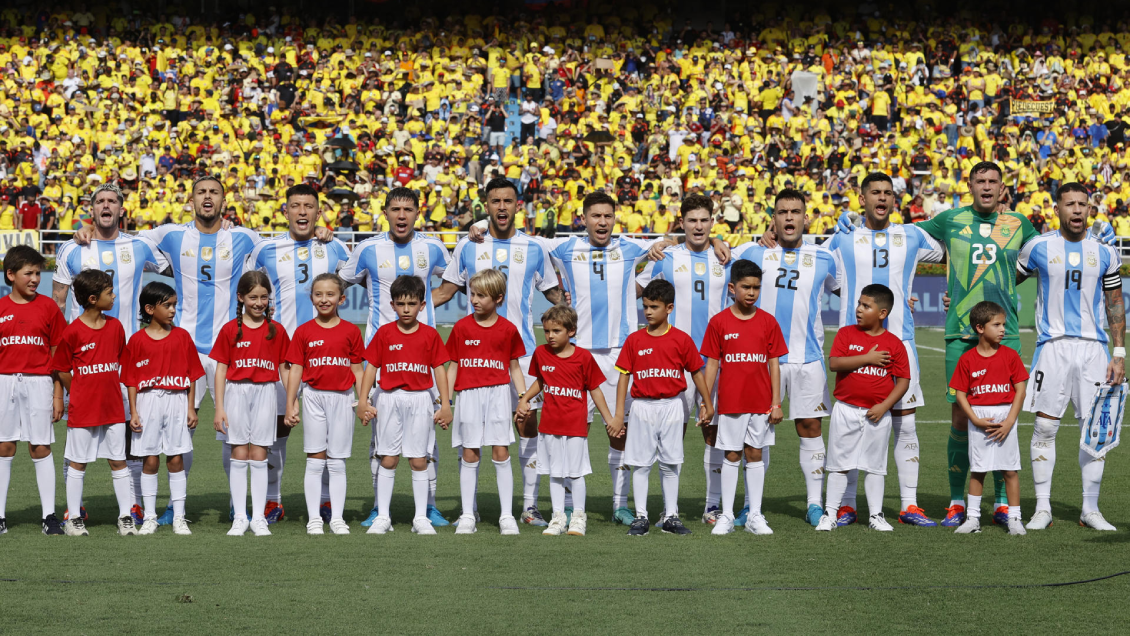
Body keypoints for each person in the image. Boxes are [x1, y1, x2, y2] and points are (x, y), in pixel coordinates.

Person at [74, 175, 265, 525]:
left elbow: (281, 251)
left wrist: (323, 235)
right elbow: (119, 237)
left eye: (214, 193)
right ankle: (169, 508)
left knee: (233, 432)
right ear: (190, 201)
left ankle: (243, 509)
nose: (208, 198)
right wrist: (85, 232)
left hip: (229, 350)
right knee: (178, 433)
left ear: (225, 201)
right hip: (184, 349)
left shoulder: (244, 238)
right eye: (201, 193)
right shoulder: (169, 235)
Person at [823, 172, 945, 527]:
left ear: (895, 200)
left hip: (901, 342)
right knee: (853, 424)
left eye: (888, 193)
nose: (881, 197)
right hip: (855, 345)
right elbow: (828, 280)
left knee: (905, 425)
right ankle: (847, 504)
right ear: (861, 199)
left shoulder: (911, 234)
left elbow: (951, 247)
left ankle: (909, 505)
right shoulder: (842, 238)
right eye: (874, 192)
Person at [441, 177, 564, 527]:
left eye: (508, 201)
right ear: (486, 206)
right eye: (495, 201)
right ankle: (471, 509)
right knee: (471, 435)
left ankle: (528, 506)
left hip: (520, 354)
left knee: (526, 424)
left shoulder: (535, 248)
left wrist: (575, 316)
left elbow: (555, 294)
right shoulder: (468, 247)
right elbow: (447, 290)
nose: (502, 207)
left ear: (517, 205)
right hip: (476, 356)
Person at [53, 183, 170, 523]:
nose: (106, 205)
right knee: (77, 432)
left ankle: (132, 503)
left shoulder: (140, 246)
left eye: (112, 201)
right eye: (99, 201)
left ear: (122, 209)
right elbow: (59, 301)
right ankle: (74, 506)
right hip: (85, 360)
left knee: (132, 430)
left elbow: (182, 271)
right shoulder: (71, 249)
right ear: (92, 210)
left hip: (130, 353)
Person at [341, 187, 454, 528]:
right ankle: (380, 508)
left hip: (422, 358)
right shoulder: (367, 248)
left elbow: (450, 283)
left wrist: (421, 305)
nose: (401, 215)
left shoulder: (432, 247)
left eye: (407, 209)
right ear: (385, 212)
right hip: (382, 355)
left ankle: (429, 508)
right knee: (381, 441)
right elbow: (343, 281)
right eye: (395, 209)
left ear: (418, 212)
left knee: (427, 443)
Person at [1016, 182, 1124, 531]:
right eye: (1070, 204)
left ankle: (1089, 510)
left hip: (1095, 349)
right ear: (1056, 208)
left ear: (1090, 209)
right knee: (1045, 426)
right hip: (1053, 347)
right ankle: (1043, 508)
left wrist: (1119, 352)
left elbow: (1115, 303)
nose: (1077, 210)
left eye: (1083, 204)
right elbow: (1003, 282)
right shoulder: (1038, 247)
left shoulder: (1105, 252)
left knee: (1096, 431)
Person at [733, 189, 840, 527]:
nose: (789, 218)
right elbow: (717, 254)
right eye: (782, 212)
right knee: (756, 434)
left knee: (809, 428)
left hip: (808, 359)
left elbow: (847, 290)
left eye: (795, 212)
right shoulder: (753, 252)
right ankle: (752, 505)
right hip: (762, 361)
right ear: (773, 219)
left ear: (806, 217)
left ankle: (813, 503)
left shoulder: (825, 257)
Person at [248, 183, 351, 524]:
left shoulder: (334, 247)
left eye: (309, 206)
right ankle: (272, 500)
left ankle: (324, 502)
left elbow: (354, 280)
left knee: (328, 434)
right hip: (284, 354)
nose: (303, 212)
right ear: (286, 211)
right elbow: (252, 290)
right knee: (278, 428)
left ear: (318, 212)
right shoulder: (265, 250)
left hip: (327, 355)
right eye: (296, 206)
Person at [635, 194, 731, 525]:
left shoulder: (726, 257)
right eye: (692, 220)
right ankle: (668, 509)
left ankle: (712, 506)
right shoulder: (666, 258)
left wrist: (719, 241)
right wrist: (653, 249)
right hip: (675, 360)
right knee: (671, 435)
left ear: (712, 222)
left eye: (705, 220)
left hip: (716, 359)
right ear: (682, 222)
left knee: (714, 432)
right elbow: (636, 288)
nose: (699, 226)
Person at [610, 279, 714, 536]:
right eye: (645, 306)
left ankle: (670, 516)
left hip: (672, 406)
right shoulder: (634, 340)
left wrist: (707, 403)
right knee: (641, 464)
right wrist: (619, 412)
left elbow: (697, 373)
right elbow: (624, 375)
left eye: (653, 307)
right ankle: (641, 517)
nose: (647, 311)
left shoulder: (681, 339)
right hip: (642, 407)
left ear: (669, 308)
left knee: (670, 463)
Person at [359, 275, 453, 536]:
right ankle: (383, 517)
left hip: (420, 399)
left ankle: (421, 518)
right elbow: (370, 369)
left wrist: (445, 405)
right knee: (388, 458)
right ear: (392, 305)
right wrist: (364, 401)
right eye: (401, 304)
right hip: (388, 398)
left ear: (422, 306)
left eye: (412, 303)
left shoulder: (430, 335)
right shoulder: (384, 333)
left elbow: (440, 371)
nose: (406, 309)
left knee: (419, 460)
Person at [699, 259, 786, 536]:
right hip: (731, 403)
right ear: (732, 288)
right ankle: (726, 515)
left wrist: (776, 403)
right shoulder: (719, 322)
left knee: (755, 453)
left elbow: (774, 364)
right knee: (732, 454)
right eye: (746, 287)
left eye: (756, 288)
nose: (751, 292)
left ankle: (755, 515)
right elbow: (712, 364)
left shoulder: (768, 322)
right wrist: (707, 402)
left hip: (761, 403)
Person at [516, 305, 616, 537]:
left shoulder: (584, 357)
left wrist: (609, 418)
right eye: (547, 330)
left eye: (556, 330)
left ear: (571, 331)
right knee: (555, 473)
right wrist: (524, 400)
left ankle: (578, 517)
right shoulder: (541, 353)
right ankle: (558, 517)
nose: (550, 335)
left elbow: (596, 390)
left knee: (575, 473)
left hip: (575, 427)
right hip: (549, 426)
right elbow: (540, 381)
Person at [818, 284, 911, 532]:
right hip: (846, 410)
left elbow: (903, 381)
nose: (859, 309)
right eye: (859, 304)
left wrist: (884, 406)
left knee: (875, 466)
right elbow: (835, 363)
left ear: (882, 313)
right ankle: (830, 514)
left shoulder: (894, 344)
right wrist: (867, 358)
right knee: (839, 464)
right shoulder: (846, 334)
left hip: (877, 414)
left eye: (866, 306)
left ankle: (876, 516)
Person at [51, 269, 134, 537]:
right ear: (92, 299)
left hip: (113, 406)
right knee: (77, 462)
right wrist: (76, 391)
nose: (114, 296)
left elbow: (124, 362)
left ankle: (125, 517)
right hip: (83, 409)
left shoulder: (116, 327)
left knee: (118, 461)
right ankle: (74, 519)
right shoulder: (72, 332)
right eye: (109, 293)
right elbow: (62, 368)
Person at [445, 269, 527, 535]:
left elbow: (514, 367)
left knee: (501, 453)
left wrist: (523, 398)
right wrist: (446, 401)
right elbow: (452, 366)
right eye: (473, 294)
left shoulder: (508, 329)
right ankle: (468, 514)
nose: (474, 300)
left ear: (498, 298)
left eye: (481, 295)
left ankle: (506, 516)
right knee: (469, 453)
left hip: (499, 394)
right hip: (468, 395)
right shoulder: (461, 327)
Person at [211, 271, 291, 537]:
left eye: (264, 297)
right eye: (253, 297)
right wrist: (219, 407)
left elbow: (284, 368)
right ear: (241, 297)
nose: (259, 303)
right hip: (236, 392)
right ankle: (240, 516)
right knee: (238, 452)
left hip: (266, 392)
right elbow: (221, 370)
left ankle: (258, 517)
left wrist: (290, 403)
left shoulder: (276, 330)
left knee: (259, 453)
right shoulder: (230, 329)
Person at [284, 273, 364, 536]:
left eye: (330, 294)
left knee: (338, 461)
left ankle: (338, 518)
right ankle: (314, 518)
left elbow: (358, 370)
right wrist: (291, 402)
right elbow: (295, 369)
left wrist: (362, 400)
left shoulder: (351, 331)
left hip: (342, 399)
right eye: (318, 294)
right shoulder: (303, 331)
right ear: (311, 298)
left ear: (341, 298)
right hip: (314, 398)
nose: (324, 299)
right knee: (315, 459)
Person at [121, 282, 205, 536]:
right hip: (148, 402)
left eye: (174, 305)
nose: (172, 310)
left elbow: (192, 375)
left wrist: (191, 408)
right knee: (149, 459)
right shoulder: (136, 340)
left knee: (176, 458)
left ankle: (179, 516)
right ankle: (149, 517)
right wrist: (134, 412)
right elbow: (131, 381)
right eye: (167, 305)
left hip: (177, 400)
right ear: (149, 308)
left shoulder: (182, 337)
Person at [0, 246, 67, 535]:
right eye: (29, 273)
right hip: (4, 382)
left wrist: (57, 394)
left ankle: (49, 516)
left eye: (39, 273)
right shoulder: (1, 308)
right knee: (4, 446)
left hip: (40, 382)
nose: (35, 279)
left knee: (40, 446)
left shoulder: (49, 307)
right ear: (11, 275)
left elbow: (58, 355)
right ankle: (0, 517)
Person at [948, 301, 1029, 536]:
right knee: (978, 470)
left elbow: (1020, 390)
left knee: (1010, 470)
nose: (1003, 329)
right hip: (979, 419)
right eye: (997, 324)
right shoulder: (967, 359)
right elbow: (960, 394)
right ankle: (973, 519)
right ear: (980, 328)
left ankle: (1014, 519)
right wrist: (975, 419)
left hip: (1005, 417)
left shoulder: (1011, 356)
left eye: (1003, 324)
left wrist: (1010, 421)